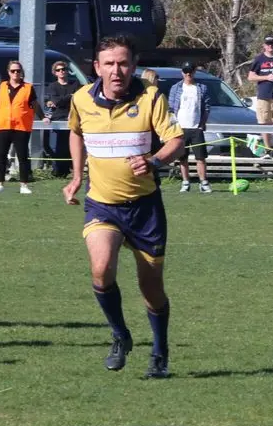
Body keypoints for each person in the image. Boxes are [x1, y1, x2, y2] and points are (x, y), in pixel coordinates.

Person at [63, 36, 184, 379]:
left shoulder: (150, 96)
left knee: (151, 288)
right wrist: (76, 176)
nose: (117, 70)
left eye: (123, 63)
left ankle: (159, 353)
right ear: (97, 67)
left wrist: (155, 160)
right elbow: (75, 132)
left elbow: (176, 141)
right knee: (101, 269)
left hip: (145, 209)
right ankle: (120, 335)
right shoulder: (81, 99)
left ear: (132, 65)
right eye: (110, 64)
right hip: (102, 205)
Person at [0, 60, 41, 194]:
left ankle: (24, 185)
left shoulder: (28, 88)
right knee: (1, 156)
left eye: (18, 71)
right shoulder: (1, 86)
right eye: (13, 71)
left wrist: (43, 117)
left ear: (21, 72)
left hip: (21, 126)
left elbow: (35, 105)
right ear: (8, 72)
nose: (16, 73)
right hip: (4, 125)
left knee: (23, 156)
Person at [168, 63, 212, 193]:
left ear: (194, 72)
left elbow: (207, 107)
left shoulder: (201, 88)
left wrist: (202, 124)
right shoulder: (176, 88)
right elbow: (170, 109)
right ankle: (185, 182)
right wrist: (174, 126)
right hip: (181, 128)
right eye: (186, 71)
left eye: (190, 71)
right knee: (183, 158)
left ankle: (203, 182)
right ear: (182, 72)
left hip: (196, 128)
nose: (188, 74)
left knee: (200, 157)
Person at [42, 60, 80, 178]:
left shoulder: (75, 84)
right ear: (55, 73)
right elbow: (57, 102)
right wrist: (70, 96)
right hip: (58, 118)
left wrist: (65, 99)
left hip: (73, 117)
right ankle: (58, 171)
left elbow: (79, 99)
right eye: (58, 70)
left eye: (63, 69)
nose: (61, 72)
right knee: (58, 146)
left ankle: (70, 170)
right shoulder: (53, 86)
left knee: (72, 145)